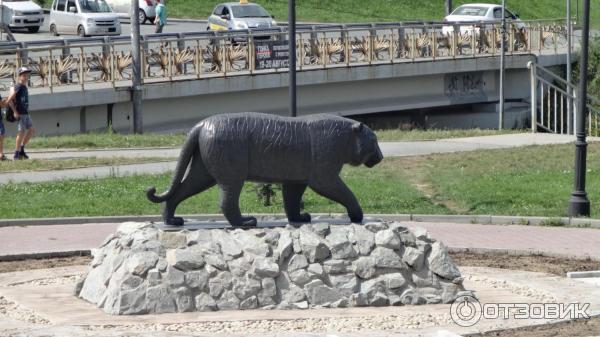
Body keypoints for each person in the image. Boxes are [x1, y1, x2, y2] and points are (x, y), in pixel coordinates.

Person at [8, 67, 35, 160]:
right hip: (20, 113)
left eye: (27, 75)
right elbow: (9, 100)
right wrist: (15, 112)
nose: (26, 77)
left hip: (26, 113)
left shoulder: (24, 87)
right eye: (24, 75)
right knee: (21, 132)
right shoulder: (18, 86)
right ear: (19, 77)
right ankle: (16, 153)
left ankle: (22, 149)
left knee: (31, 130)